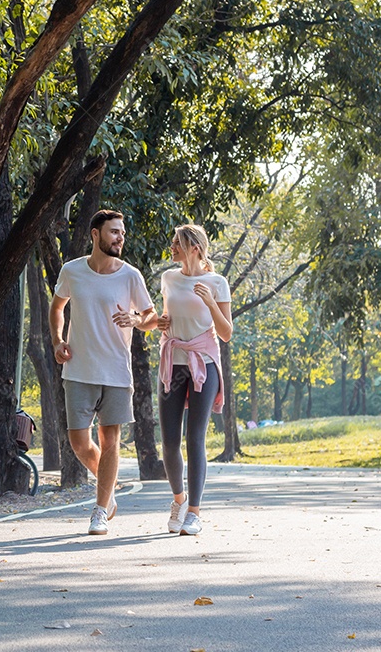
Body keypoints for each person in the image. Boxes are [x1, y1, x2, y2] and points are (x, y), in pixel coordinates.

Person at [49, 210, 156, 536]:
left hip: (116, 372)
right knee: (79, 442)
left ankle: (100, 509)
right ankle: (108, 491)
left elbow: (152, 316)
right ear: (95, 235)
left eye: (121, 233)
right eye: (113, 232)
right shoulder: (73, 271)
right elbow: (57, 307)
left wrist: (136, 320)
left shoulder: (130, 276)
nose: (119, 238)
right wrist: (57, 340)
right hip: (78, 369)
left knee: (110, 441)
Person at [146, 224, 232, 536]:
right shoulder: (169, 278)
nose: (172, 248)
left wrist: (210, 302)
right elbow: (164, 317)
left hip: (203, 363)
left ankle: (194, 512)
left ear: (194, 247)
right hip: (173, 362)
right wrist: (160, 322)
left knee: (195, 438)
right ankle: (179, 500)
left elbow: (226, 333)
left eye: (177, 243)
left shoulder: (216, 282)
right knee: (169, 441)